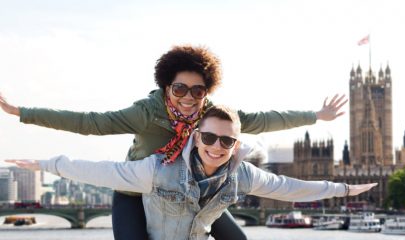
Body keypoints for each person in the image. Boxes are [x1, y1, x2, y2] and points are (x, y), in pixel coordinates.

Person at [0, 45, 347, 240]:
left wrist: (315, 115)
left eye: (197, 91)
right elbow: (89, 123)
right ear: (168, 86)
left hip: (191, 193)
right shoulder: (145, 112)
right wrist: (21, 111)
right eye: (179, 88)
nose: (188, 98)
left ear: (206, 91)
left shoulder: (212, 114)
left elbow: (262, 119)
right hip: (138, 192)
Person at [5, 105, 377, 240]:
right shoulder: (158, 169)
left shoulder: (241, 173)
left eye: (227, 142)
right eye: (210, 138)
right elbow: (101, 170)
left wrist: (342, 188)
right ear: (196, 136)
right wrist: (45, 164)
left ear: (236, 144)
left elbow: (287, 187)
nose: (217, 146)